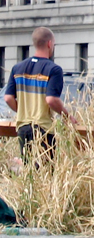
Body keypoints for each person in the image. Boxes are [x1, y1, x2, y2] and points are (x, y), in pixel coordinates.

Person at [3, 27, 75, 163]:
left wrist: (24, 111)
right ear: (49, 44)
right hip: (43, 129)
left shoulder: (17, 68)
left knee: (29, 172)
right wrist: (67, 116)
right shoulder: (53, 69)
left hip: (23, 128)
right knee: (45, 172)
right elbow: (51, 99)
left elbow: (8, 98)